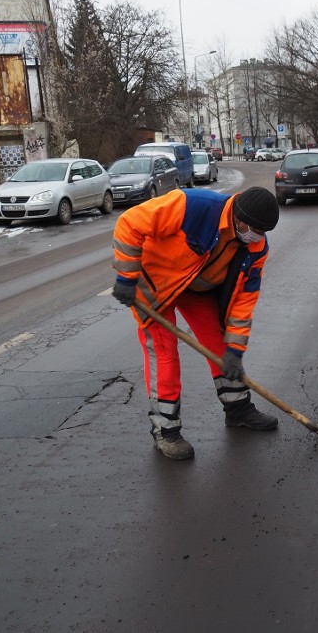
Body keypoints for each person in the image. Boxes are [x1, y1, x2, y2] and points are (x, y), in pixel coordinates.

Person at [111, 186, 281, 460]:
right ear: (238, 217)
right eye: (254, 229)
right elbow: (129, 223)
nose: (256, 237)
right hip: (153, 286)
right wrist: (126, 277)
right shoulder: (192, 206)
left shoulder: (256, 247)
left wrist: (235, 351)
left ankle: (238, 410)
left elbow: (242, 303)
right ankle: (165, 430)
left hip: (197, 288)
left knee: (220, 345)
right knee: (165, 353)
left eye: (263, 232)